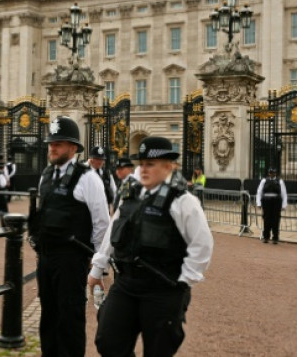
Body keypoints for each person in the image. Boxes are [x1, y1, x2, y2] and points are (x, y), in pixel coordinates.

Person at [88, 136, 214, 357]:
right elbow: (112, 232)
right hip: (126, 283)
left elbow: (202, 246)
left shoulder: (182, 201)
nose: (144, 169)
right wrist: (97, 268)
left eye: (151, 164)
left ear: (168, 166)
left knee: (158, 350)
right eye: (142, 164)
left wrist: (182, 283)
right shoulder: (131, 194)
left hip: (162, 288)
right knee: (108, 341)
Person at [29, 116, 110, 357]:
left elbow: (102, 223)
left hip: (71, 258)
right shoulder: (46, 175)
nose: (52, 147)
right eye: (51, 143)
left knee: (70, 319)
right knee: (49, 316)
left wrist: (94, 262)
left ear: (73, 148)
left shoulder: (88, 178)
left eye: (59, 143)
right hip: (46, 258)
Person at [256, 168, 288, 244]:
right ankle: (266, 237)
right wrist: (258, 203)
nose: (271, 174)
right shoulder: (264, 181)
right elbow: (259, 192)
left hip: (276, 202)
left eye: (273, 173)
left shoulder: (280, 181)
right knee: (266, 219)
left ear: (275, 173)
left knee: (275, 220)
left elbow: (284, 193)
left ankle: (275, 237)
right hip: (266, 202)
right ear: (268, 173)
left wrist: (284, 205)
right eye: (270, 173)